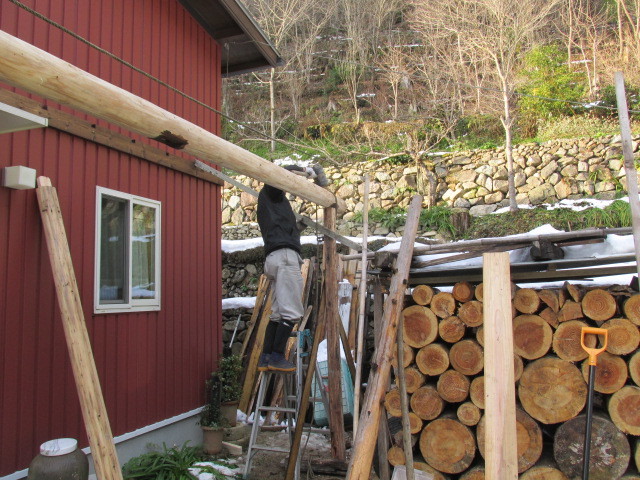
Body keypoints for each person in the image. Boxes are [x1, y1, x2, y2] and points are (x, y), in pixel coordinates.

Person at [256, 164, 328, 372]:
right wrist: (307, 171)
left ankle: (267, 356)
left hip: (275, 256)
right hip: (285, 257)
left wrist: (298, 228)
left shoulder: (273, 205)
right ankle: (277, 356)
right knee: (292, 312)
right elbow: (282, 173)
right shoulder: (271, 192)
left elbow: (281, 230)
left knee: (278, 313)